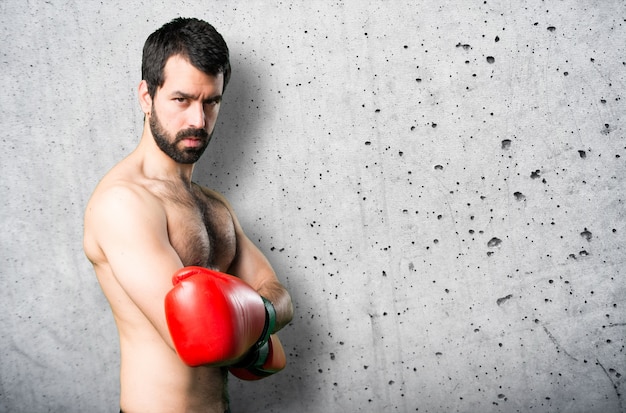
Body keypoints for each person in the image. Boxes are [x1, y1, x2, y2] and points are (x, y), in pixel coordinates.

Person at [83, 17, 293, 413]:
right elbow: (198, 338)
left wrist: (253, 320)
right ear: (146, 96)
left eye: (210, 101)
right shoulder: (123, 203)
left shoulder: (214, 204)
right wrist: (263, 336)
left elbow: (280, 295)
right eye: (181, 100)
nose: (198, 120)